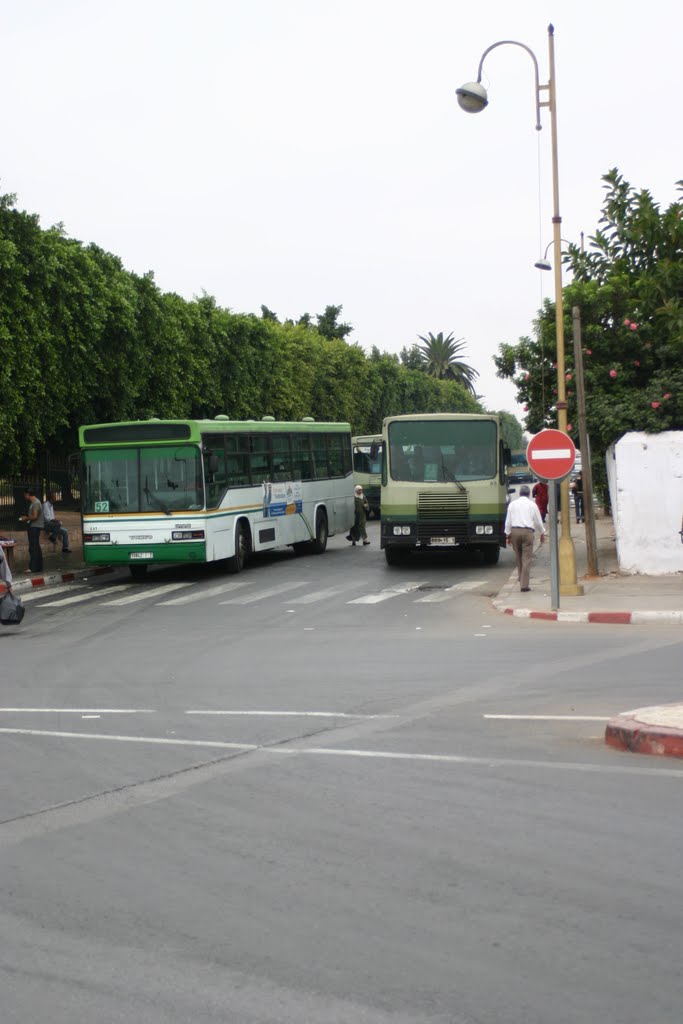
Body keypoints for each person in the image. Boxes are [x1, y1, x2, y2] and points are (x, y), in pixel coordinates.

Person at [504, 483, 546, 592]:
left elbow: (508, 521)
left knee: (518, 558)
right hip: (528, 532)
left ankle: (521, 578)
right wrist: (542, 533)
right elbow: (538, 520)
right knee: (527, 559)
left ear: (519, 493)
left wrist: (508, 535)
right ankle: (524, 585)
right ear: (528, 495)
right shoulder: (532, 505)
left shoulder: (512, 505)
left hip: (515, 532)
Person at [19, 486, 44, 573]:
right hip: (33, 527)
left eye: (25, 495)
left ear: (28, 494)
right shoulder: (34, 502)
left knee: (33, 547)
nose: (24, 497)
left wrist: (26, 518)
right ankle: (38, 567)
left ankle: (34, 567)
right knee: (35, 546)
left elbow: (35, 516)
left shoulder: (35, 503)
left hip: (34, 527)